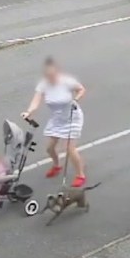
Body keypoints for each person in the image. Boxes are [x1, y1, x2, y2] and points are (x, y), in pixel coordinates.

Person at [22, 57, 87, 187]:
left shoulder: (67, 81)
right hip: (57, 119)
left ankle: (80, 174)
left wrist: (76, 100)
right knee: (49, 148)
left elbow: (81, 89)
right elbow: (36, 101)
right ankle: (57, 165)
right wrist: (29, 112)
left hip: (72, 117)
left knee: (69, 148)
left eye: (52, 74)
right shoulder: (43, 84)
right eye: (47, 75)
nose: (50, 77)